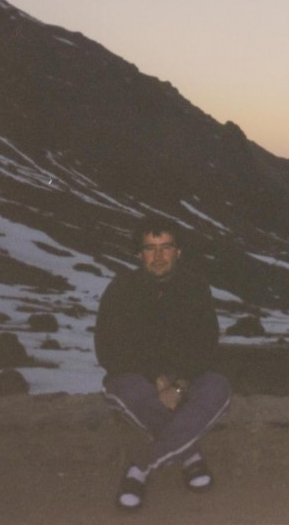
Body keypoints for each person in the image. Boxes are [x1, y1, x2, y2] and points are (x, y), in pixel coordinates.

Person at [94, 215, 231, 511]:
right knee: (126, 388)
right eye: (150, 248)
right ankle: (189, 455)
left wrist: (179, 384)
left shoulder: (195, 287)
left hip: (186, 380)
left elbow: (206, 344)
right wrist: (156, 380)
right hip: (139, 381)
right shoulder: (121, 289)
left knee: (217, 386)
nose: (158, 256)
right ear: (139, 253)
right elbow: (109, 348)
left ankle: (141, 467)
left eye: (166, 247)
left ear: (178, 251)